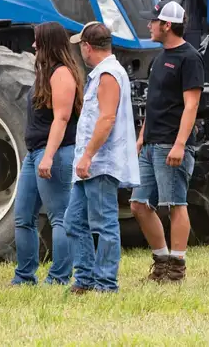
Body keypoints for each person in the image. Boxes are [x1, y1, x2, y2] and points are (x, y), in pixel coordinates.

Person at [130, 0, 204, 284]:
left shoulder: (190, 58)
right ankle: (161, 261)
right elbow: (153, 103)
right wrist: (141, 136)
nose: (149, 25)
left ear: (167, 25)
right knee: (138, 204)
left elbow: (191, 105)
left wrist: (180, 144)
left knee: (175, 204)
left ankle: (177, 268)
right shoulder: (159, 58)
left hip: (170, 146)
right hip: (150, 144)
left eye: (153, 21)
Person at [64, 21, 139, 294]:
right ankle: (85, 279)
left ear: (87, 46)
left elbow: (106, 118)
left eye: (80, 47)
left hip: (100, 163)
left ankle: (106, 283)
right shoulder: (104, 72)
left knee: (104, 222)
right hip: (91, 164)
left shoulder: (109, 74)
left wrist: (87, 156)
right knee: (74, 220)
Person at [11, 21, 84, 286]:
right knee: (22, 217)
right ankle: (24, 276)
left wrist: (49, 156)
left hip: (54, 153)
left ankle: (59, 277)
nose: (33, 46)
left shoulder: (62, 73)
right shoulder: (46, 73)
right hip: (35, 153)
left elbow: (62, 118)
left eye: (37, 41)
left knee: (60, 217)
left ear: (48, 44)